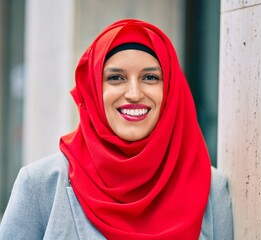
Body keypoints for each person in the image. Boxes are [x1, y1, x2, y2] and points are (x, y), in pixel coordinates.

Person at [0, 19, 233, 239]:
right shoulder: (40, 185)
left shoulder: (212, 190)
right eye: (116, 78)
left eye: (150, 77)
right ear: (93, 90)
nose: (133, 93)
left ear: (171, 90)